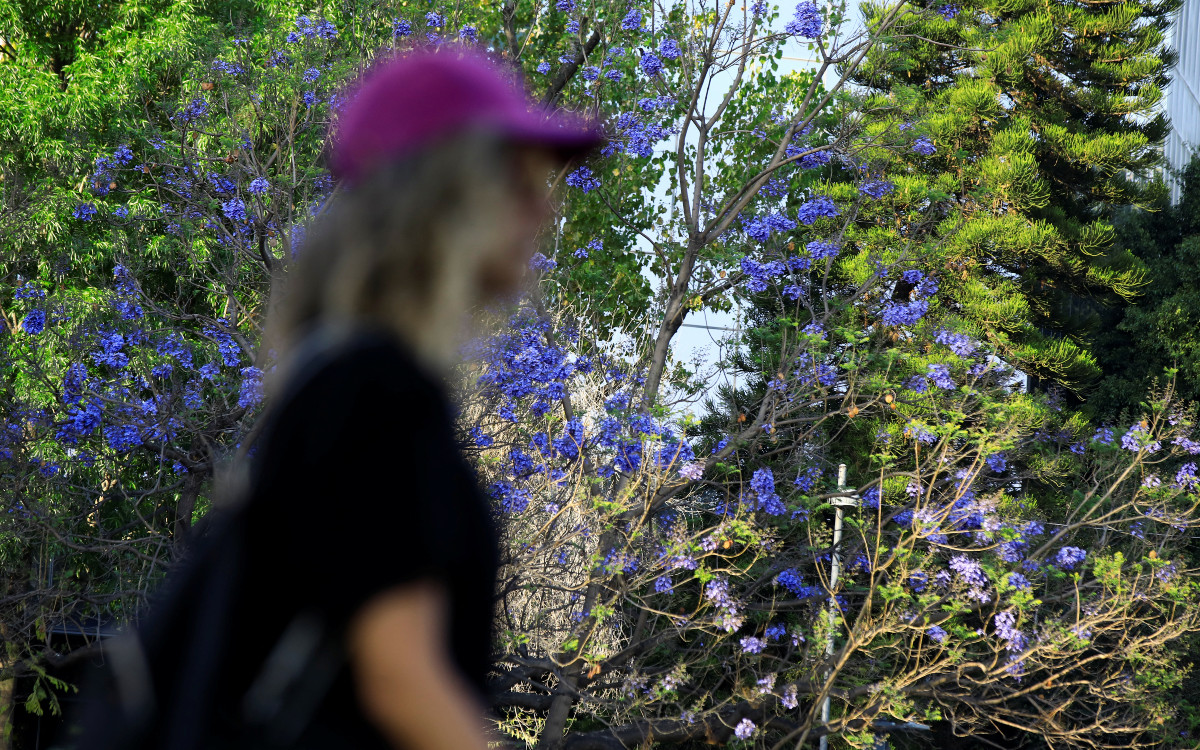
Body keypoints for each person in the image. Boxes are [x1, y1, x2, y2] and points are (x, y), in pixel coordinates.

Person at [74, 45, 603, 750]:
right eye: (517, 181)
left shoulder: (337, 379)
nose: (542, 208)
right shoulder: (377, 393)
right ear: (444, 195)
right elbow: (399, 678)